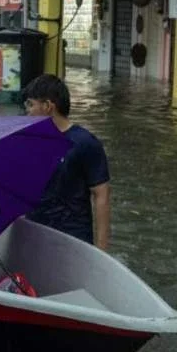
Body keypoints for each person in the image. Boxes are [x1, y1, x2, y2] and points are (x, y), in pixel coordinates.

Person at [22, 74, 112, 251]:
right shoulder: (31, 142)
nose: (28, 111)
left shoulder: (84, 143)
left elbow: (102, 195)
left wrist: (101, 250)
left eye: (31, 104)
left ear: (48, 106)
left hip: (73, 239)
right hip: (36, 233)